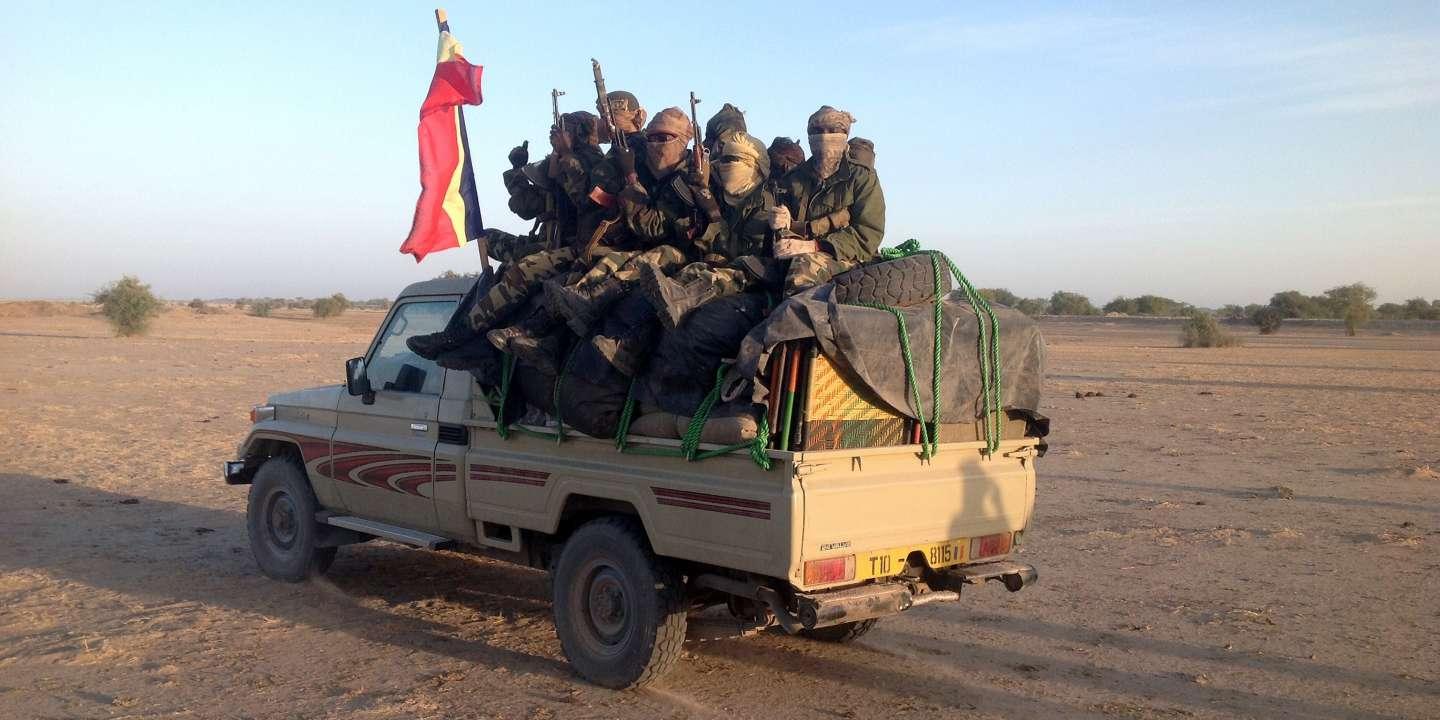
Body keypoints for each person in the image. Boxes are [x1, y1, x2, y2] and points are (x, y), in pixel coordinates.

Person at [408, 111, 614, 362]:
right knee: (488, 239)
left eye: (564, 129)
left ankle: (460, 335)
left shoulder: (591, 163)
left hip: (576, 247)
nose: (555, 133)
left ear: (580, 134)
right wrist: (518, 169)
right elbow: (525, 207)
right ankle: (479, 313)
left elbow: (585, 203)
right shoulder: (558, 162)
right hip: (546, 241)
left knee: (522, 270)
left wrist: (567, 159)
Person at [638, 130, 774, 329]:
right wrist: (695, 206)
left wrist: (713, 213)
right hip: (704, 258)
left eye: (736, 160)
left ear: (756, 167)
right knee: (664, 254)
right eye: (725, 159)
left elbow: (741, 253)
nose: (728, 166)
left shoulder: (765, 204)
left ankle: (680, 301)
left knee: (724, 272)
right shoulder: (718, 190)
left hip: (746, 274)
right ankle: (601, 291)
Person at [769, 106, 885, 295]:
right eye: (817, 132)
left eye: (832, 131)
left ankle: (795, 322)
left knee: (804, 267)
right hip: (798, 251)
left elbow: (868, 234)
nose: (824, 137)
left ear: (845, 134)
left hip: (850, 257)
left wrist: (815, 246)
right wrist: (780, 224)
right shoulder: (794, 178)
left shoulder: (862, 177)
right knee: (748, 266)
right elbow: (785, 234)